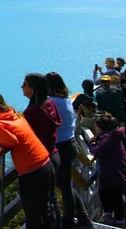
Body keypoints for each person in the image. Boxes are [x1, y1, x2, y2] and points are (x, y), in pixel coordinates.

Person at [0, 88, 55, 229]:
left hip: (32, 171)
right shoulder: (14, 115)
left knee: (33, 215)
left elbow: (11, 140)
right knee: (46, 209)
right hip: (45, 163)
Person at [46, 72, 89, 228]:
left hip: (62, 147)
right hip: (70, 144)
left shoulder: (51, 102)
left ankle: (71, 220)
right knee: (65, 186)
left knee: (64, 187)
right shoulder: (65, 100)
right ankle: (81, 217)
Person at [21, 73, 63, 228]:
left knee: (38, 210)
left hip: (40, 162)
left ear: (32, 89)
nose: (21, 87)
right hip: (53, 155)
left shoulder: (33, 112)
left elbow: (23, 136)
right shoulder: (50, 103)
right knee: (51, 202)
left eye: (24, 84)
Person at [89, 114, 126, 226]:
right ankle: (111, 217)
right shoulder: (113, 136)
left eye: (97, 125)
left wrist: (91, 143)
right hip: (116, 171)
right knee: (109, 195)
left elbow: (97, 151)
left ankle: (118, 222)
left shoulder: (109, 138)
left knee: (114, 197)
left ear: (102, 127)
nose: (95, 126)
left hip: (113, 172)